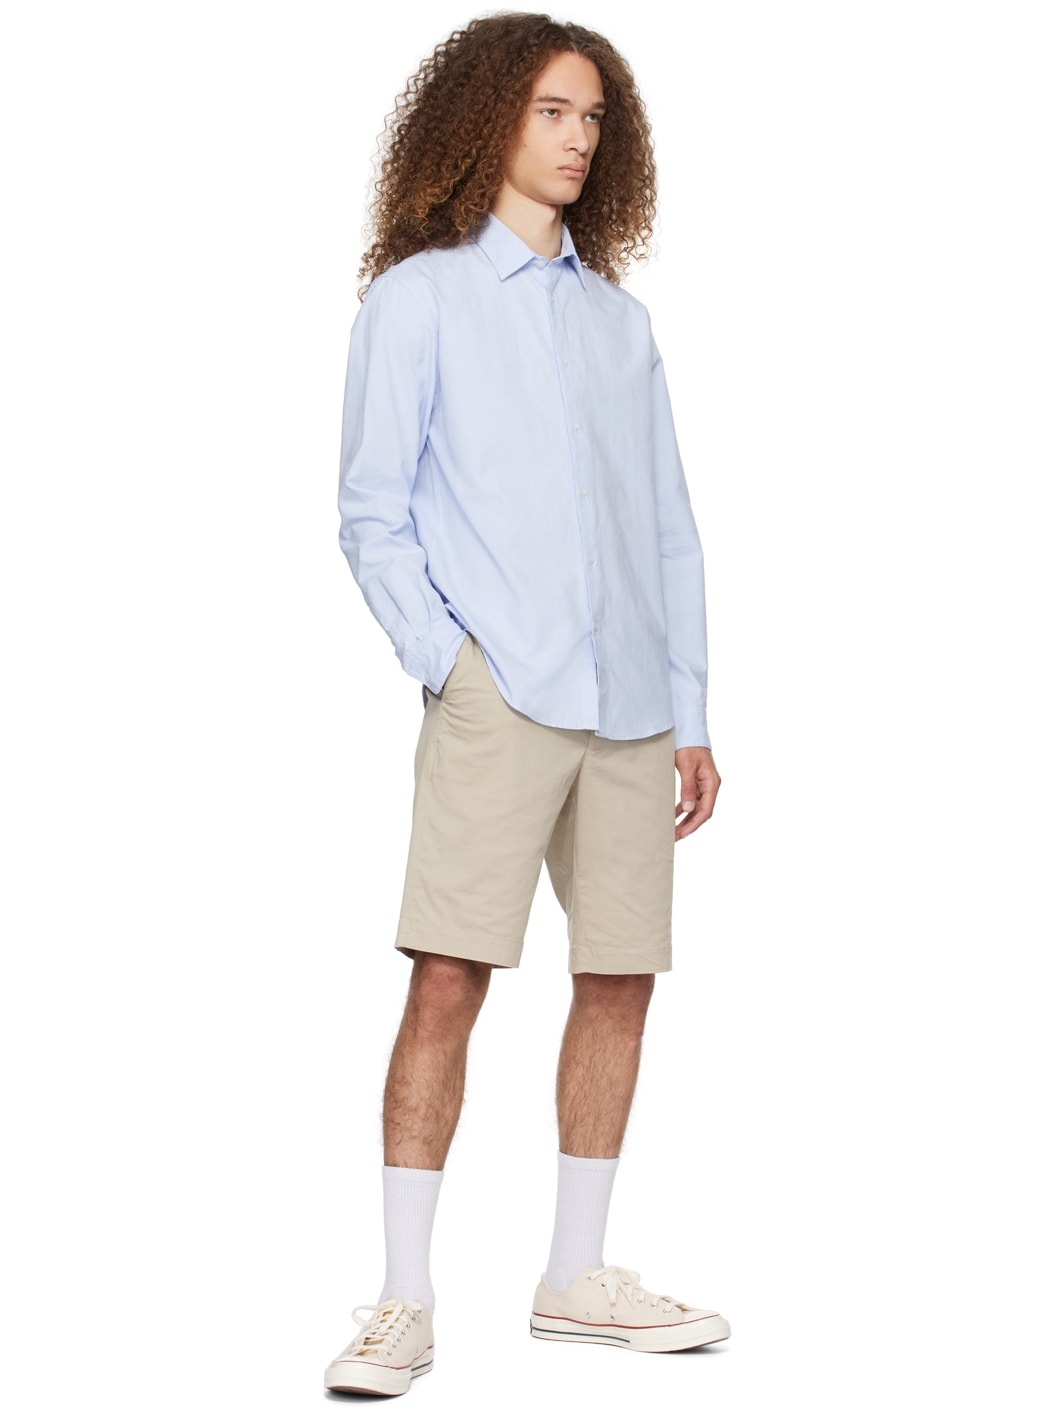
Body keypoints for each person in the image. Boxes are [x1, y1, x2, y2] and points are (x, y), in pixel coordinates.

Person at [327, 11, 728, 1397]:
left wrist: (690, 709)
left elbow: (667, 531)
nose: (578, 138)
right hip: (499, 690)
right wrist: (450, 663)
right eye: (554, 110)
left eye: (595, 118)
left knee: (619, 975)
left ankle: (575, 1276)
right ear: (488, 116)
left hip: (631, 699)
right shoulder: (421, 300)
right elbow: (373, 511)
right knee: (449, 974)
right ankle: (403, 1297)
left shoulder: (623, 327)